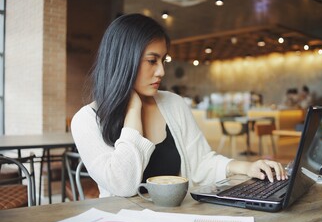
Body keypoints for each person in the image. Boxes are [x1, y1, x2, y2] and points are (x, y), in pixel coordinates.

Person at [71, 13, 287, 198]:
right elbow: (122, 186)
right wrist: (133, 111)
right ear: (123, 60)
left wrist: (247, 166)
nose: (161, 72)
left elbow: (202, 163)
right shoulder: (86, 120)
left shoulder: (173, 103)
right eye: (152, 61)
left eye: (163, 60)